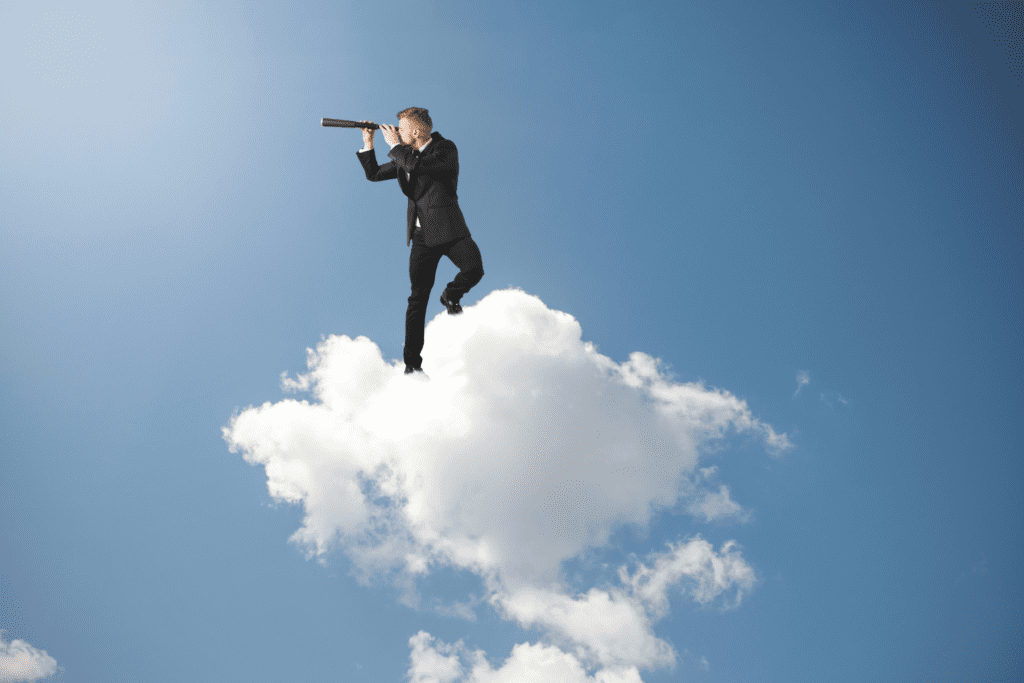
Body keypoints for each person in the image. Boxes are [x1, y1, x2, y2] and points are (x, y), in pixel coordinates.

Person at [356, 108, 484, 375]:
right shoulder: (404, 155)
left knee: (474, 269)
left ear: (415, 132)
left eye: (401, 129)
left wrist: (394, 146)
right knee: (417, 299)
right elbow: (374, 174)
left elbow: (420, 165)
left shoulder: (445, 149)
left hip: (449, 230)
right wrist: (368, 143)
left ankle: (451, 294)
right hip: (421, 237)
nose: (396, 132)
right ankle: (412, 363)